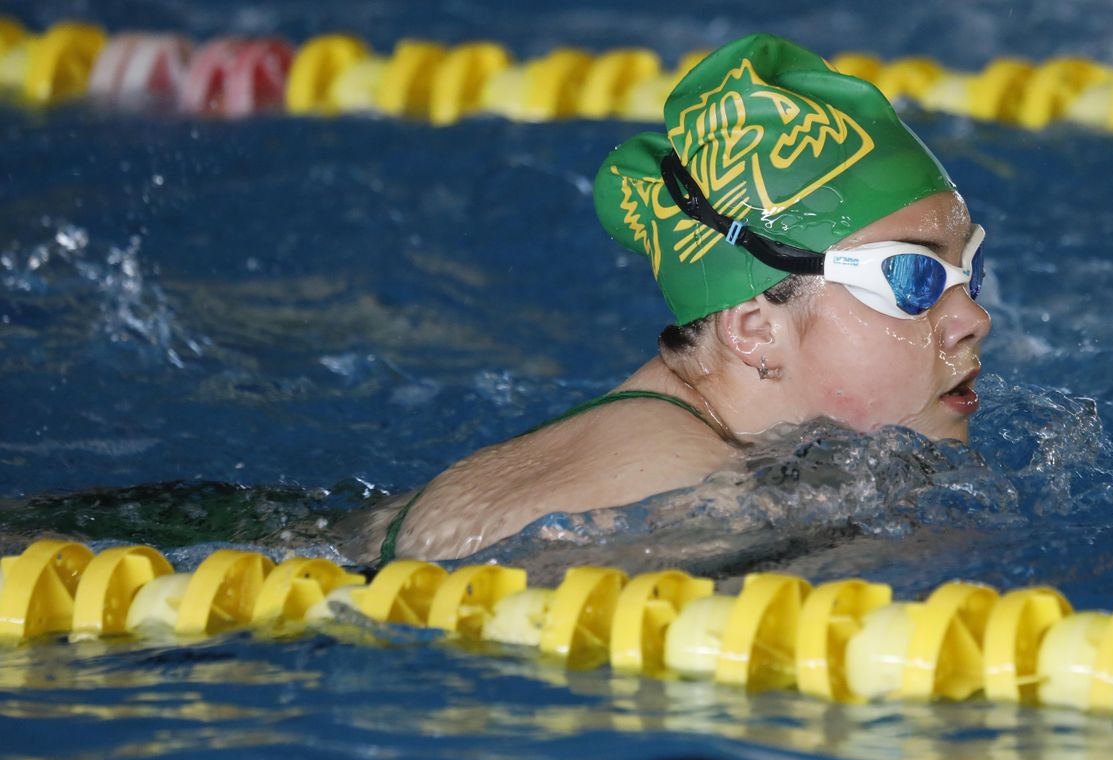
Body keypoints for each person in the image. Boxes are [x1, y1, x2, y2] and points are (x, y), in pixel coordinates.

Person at [370, 33, 991, 563]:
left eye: (967, 268)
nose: (973, 318)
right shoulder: (683, 502)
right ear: (754, 327)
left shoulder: (691, 442)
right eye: (912, 278)